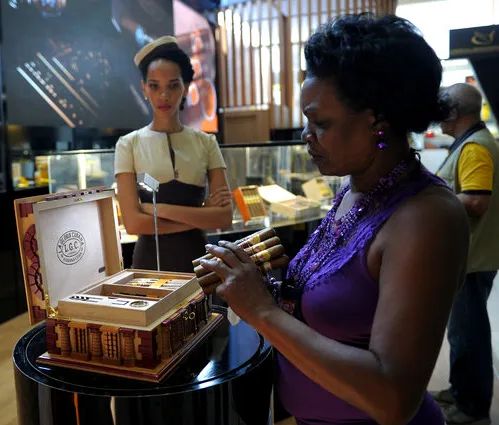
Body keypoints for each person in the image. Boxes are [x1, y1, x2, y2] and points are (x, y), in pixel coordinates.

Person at [199, 14, 470, 425]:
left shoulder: (426, 217)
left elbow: (393, 399)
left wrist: (263, 312)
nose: (306, 135)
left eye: (320, 123)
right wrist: (253, 280)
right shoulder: (356, 189)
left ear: (377, 121)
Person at [114, 36, 233, 273]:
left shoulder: (206, 142)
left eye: (173, 85)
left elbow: (223, 218)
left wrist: (158, 211)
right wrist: (200, 215)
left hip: (199, 262)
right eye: (154, 85)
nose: (164, 95)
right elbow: (133, 223)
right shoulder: (128, 144)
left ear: (186, 87)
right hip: (149, 265)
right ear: (144, 89)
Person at [430, 83, 499, 425]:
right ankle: (460, 391)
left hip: (472, 259)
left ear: (455, 112)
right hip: (469, 256)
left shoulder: (474, 147)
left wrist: (429, 195)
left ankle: (471, 409)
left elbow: (475, 200)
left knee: (468, 334)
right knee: (463, 332)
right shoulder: (472, 143)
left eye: (442, 107)